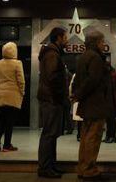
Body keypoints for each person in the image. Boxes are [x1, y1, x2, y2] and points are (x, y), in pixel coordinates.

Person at [72, 31, 112, 180]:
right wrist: (80, 94)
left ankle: (82, 168)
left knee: (85, 136)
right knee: (93, 137)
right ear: (96, 42)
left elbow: (79, 80)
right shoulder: (95, 57)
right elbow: (93, 80)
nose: (104, 44)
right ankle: (89, 169)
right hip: (95, 103)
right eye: (102, 41)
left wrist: (77, 95)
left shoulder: (83, 56)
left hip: (86, 104)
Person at [37, 27, 68, 179]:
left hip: (51, 98)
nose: (67, 40)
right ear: (59, 38)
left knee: (51, 134)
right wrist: (60, 95)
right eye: (65, 37)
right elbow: (52, 77)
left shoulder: (53, 53)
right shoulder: (52, 54)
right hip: (51, 99)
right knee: (49, 134)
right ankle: (44, 167)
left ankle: (51, 165)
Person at [0, 42, 25, 152]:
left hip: (1, 95)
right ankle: (6, 145)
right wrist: (22, 92)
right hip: (13, 95)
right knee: (9, 121)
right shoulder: (17, 63)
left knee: (2, 120)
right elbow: (21, 80)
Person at [103, 63, 116, 144]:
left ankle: (112, 136)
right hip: (109, 100)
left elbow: (114, 89)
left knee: (111, 120)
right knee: (109, 119)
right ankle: (109, 136)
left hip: (111, 100)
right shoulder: (110, 74)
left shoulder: (112, 75)